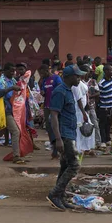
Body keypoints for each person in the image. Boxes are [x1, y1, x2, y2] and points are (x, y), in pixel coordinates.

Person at [45, 64, 85, 211]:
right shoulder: (60, 92)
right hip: (64, 134)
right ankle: (55, 194)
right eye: (77, 75)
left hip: (69, 132)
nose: (79, 78)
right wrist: (58, 139)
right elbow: (53, 116)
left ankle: (59, 196)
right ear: (69, 77)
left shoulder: (69, 91)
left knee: (65, 165)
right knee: (74, 165)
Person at [39, 64, 63, 158]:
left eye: (42, 73)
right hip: (47, 106)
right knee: (49, 128)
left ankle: (58, 149)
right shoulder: (44, 81)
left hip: (55, 107)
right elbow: (44, 92)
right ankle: (54, 149)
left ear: (46, 71)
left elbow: (60, 90)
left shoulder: (56, 78)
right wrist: (43, 92)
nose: (41, 75)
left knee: (56, 127)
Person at [73, 67, 94, 154]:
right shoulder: (75, 85)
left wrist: (87, 104)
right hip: (78, 110)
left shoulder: (81, 83)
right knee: (79, 129)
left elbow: (85, 95)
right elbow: (78, 100)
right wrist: (83, 112)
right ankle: (79, 148)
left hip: (83, 109)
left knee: (87, 128)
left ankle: (86, 148)